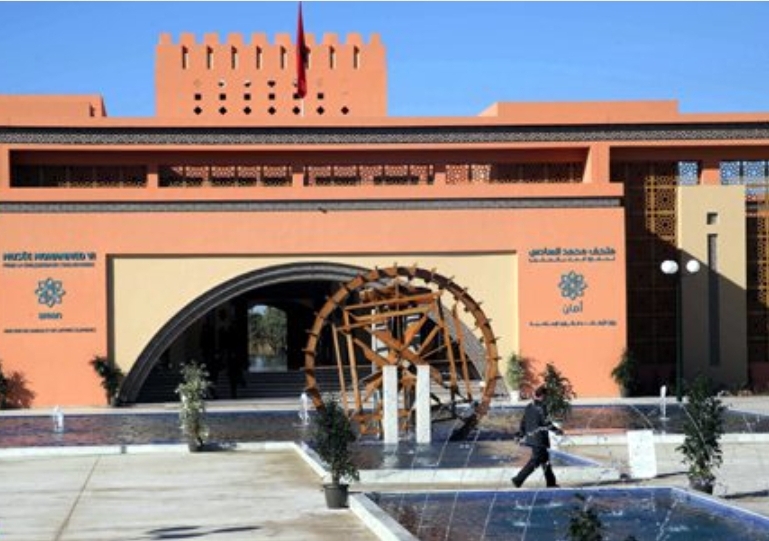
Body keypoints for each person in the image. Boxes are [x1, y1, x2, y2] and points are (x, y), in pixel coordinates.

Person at [512, 385, 563, 488]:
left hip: (532, 438)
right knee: (535, 461)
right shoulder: (542, 407)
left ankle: (551, 483)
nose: (547, 399)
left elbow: (523, 422)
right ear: (543, 395)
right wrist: (556, 430)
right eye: (546, 396)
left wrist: (521, 434)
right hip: (540, 440)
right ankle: (518, 479)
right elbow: (546, 423)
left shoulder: (529, 406)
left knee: (545, 461)